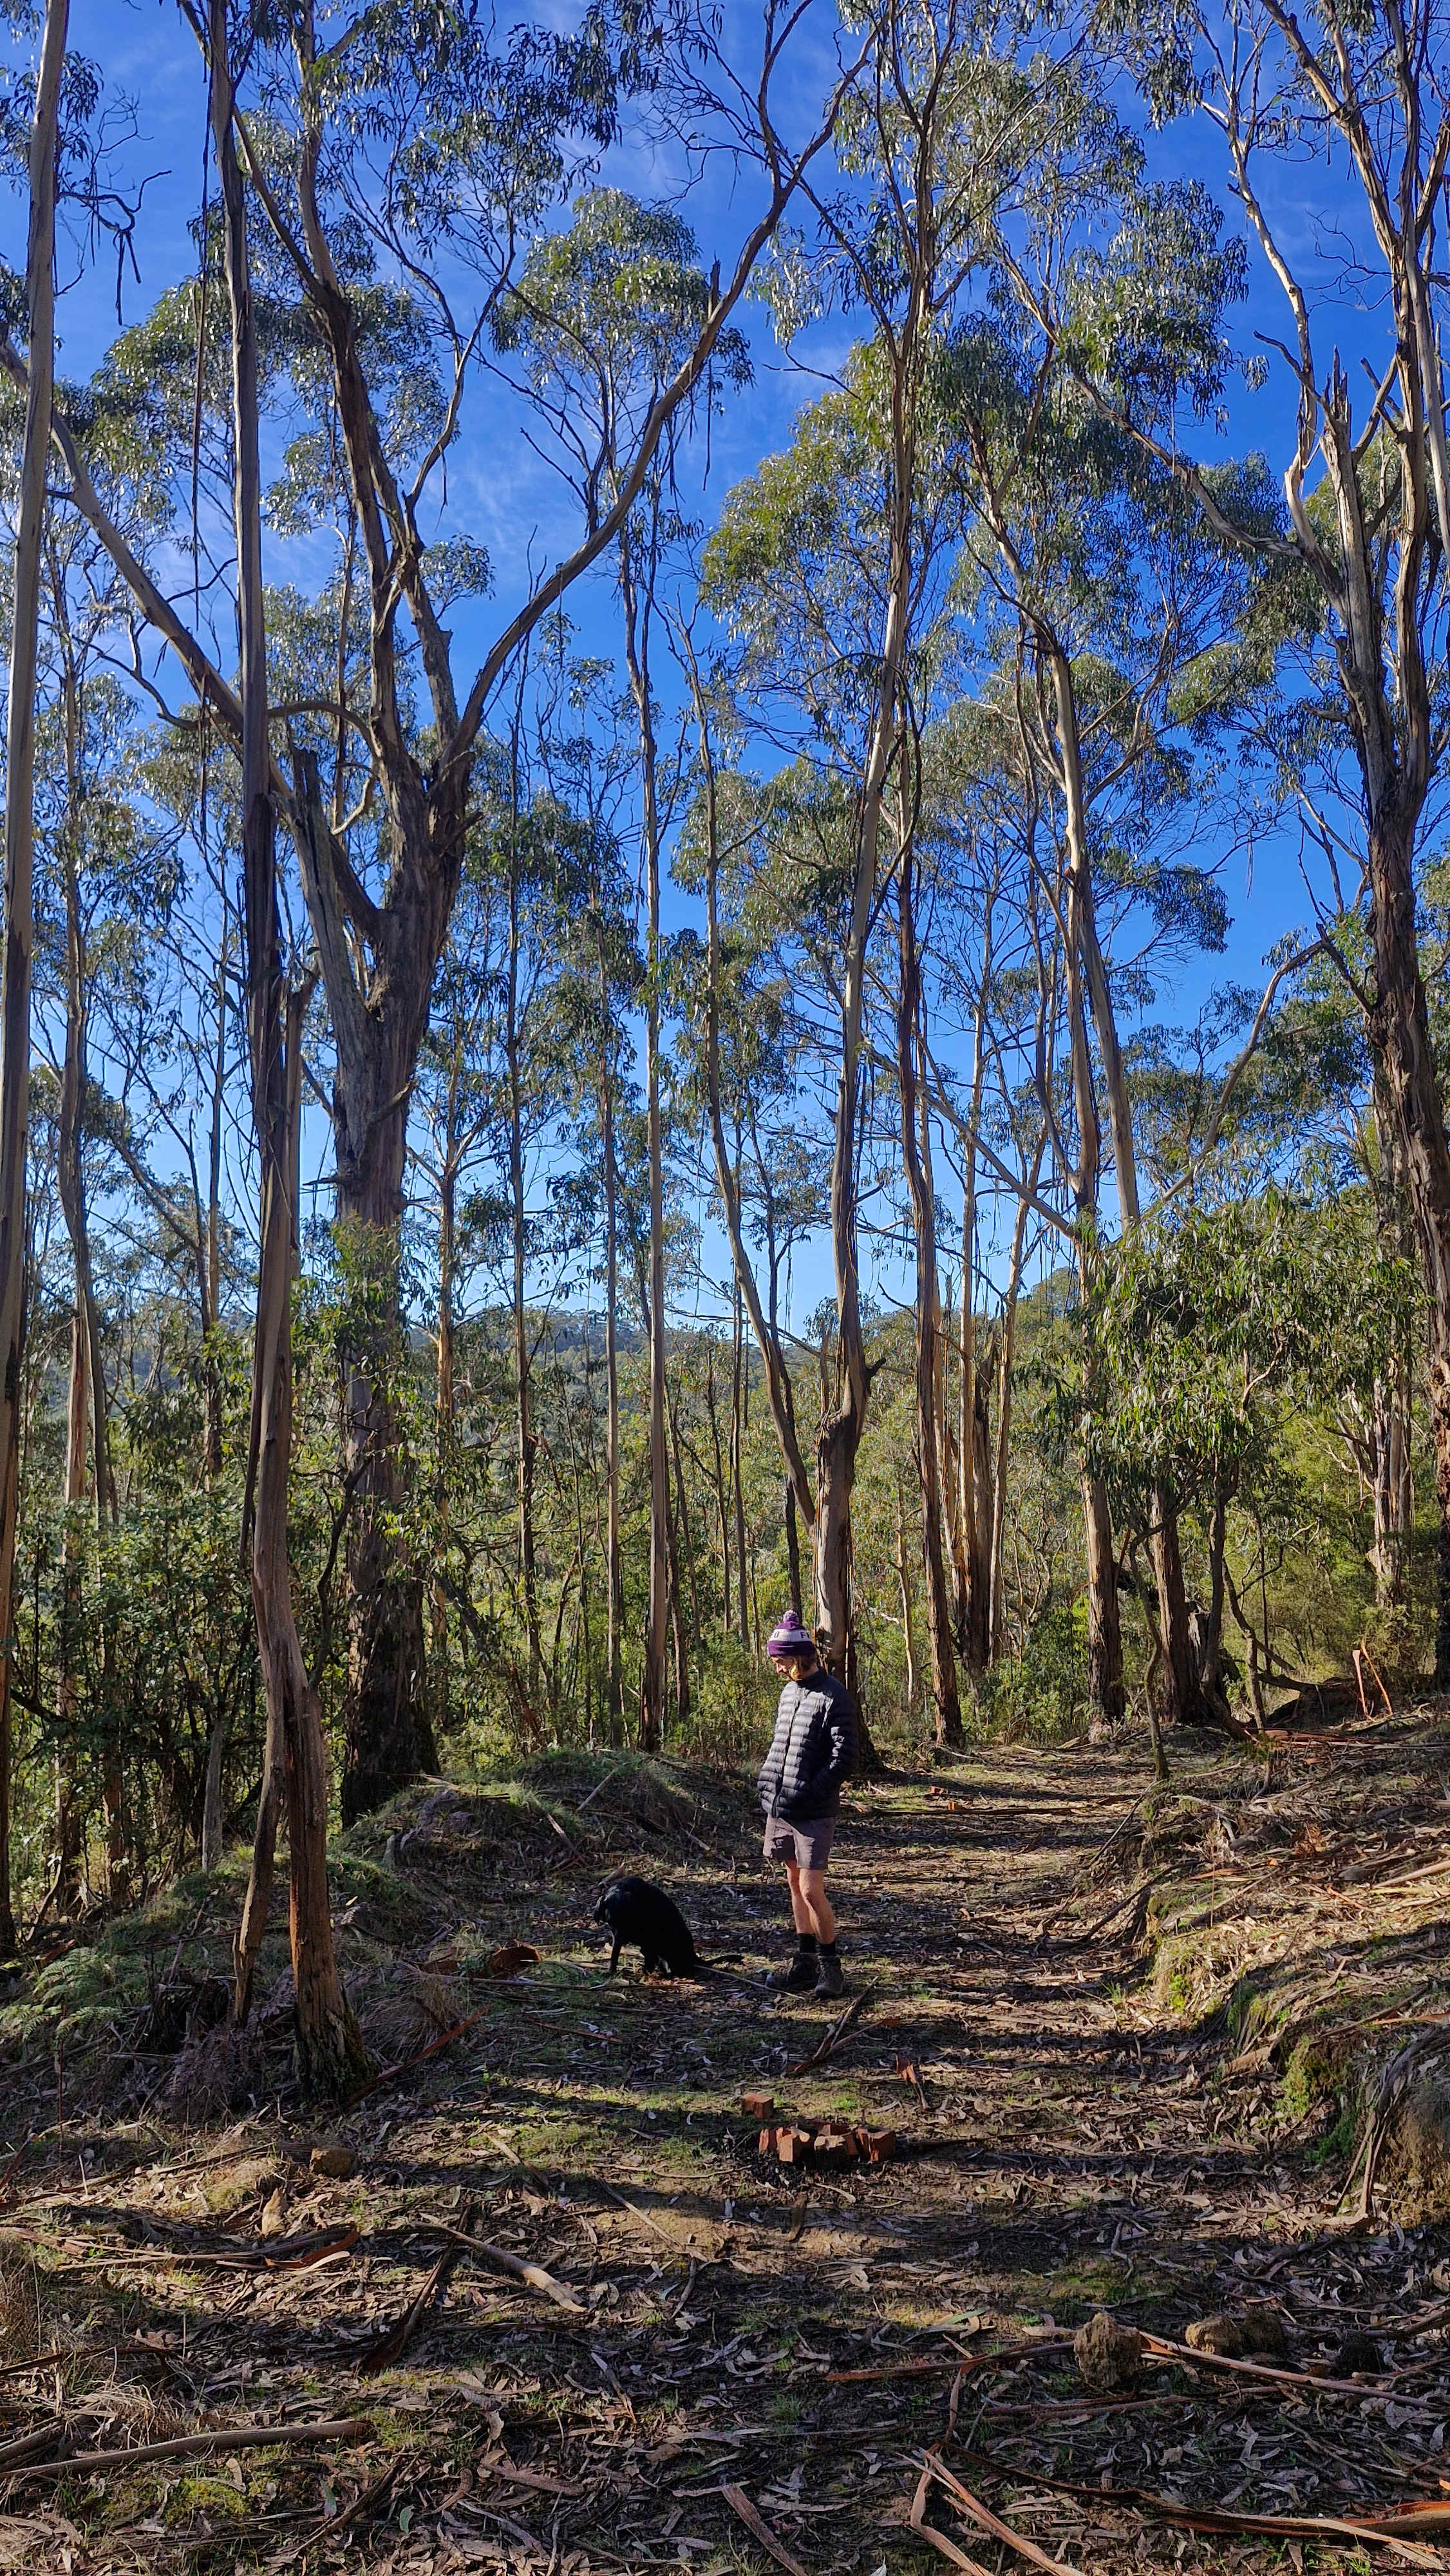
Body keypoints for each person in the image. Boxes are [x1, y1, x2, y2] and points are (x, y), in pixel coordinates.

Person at [758, 1611, 856, 1997]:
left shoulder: (834, 1695)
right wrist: (768, 1784)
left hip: (814, 1810)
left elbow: (844, 1757)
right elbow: (781, 1747)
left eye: (780, 1661)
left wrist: (814, 1791)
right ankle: (805, 1963)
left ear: (797, 1657)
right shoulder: (789, 1693)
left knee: (811, 1887)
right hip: (781, 1806)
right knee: (794, 1885)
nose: (778, 1669)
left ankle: (832, 1969)